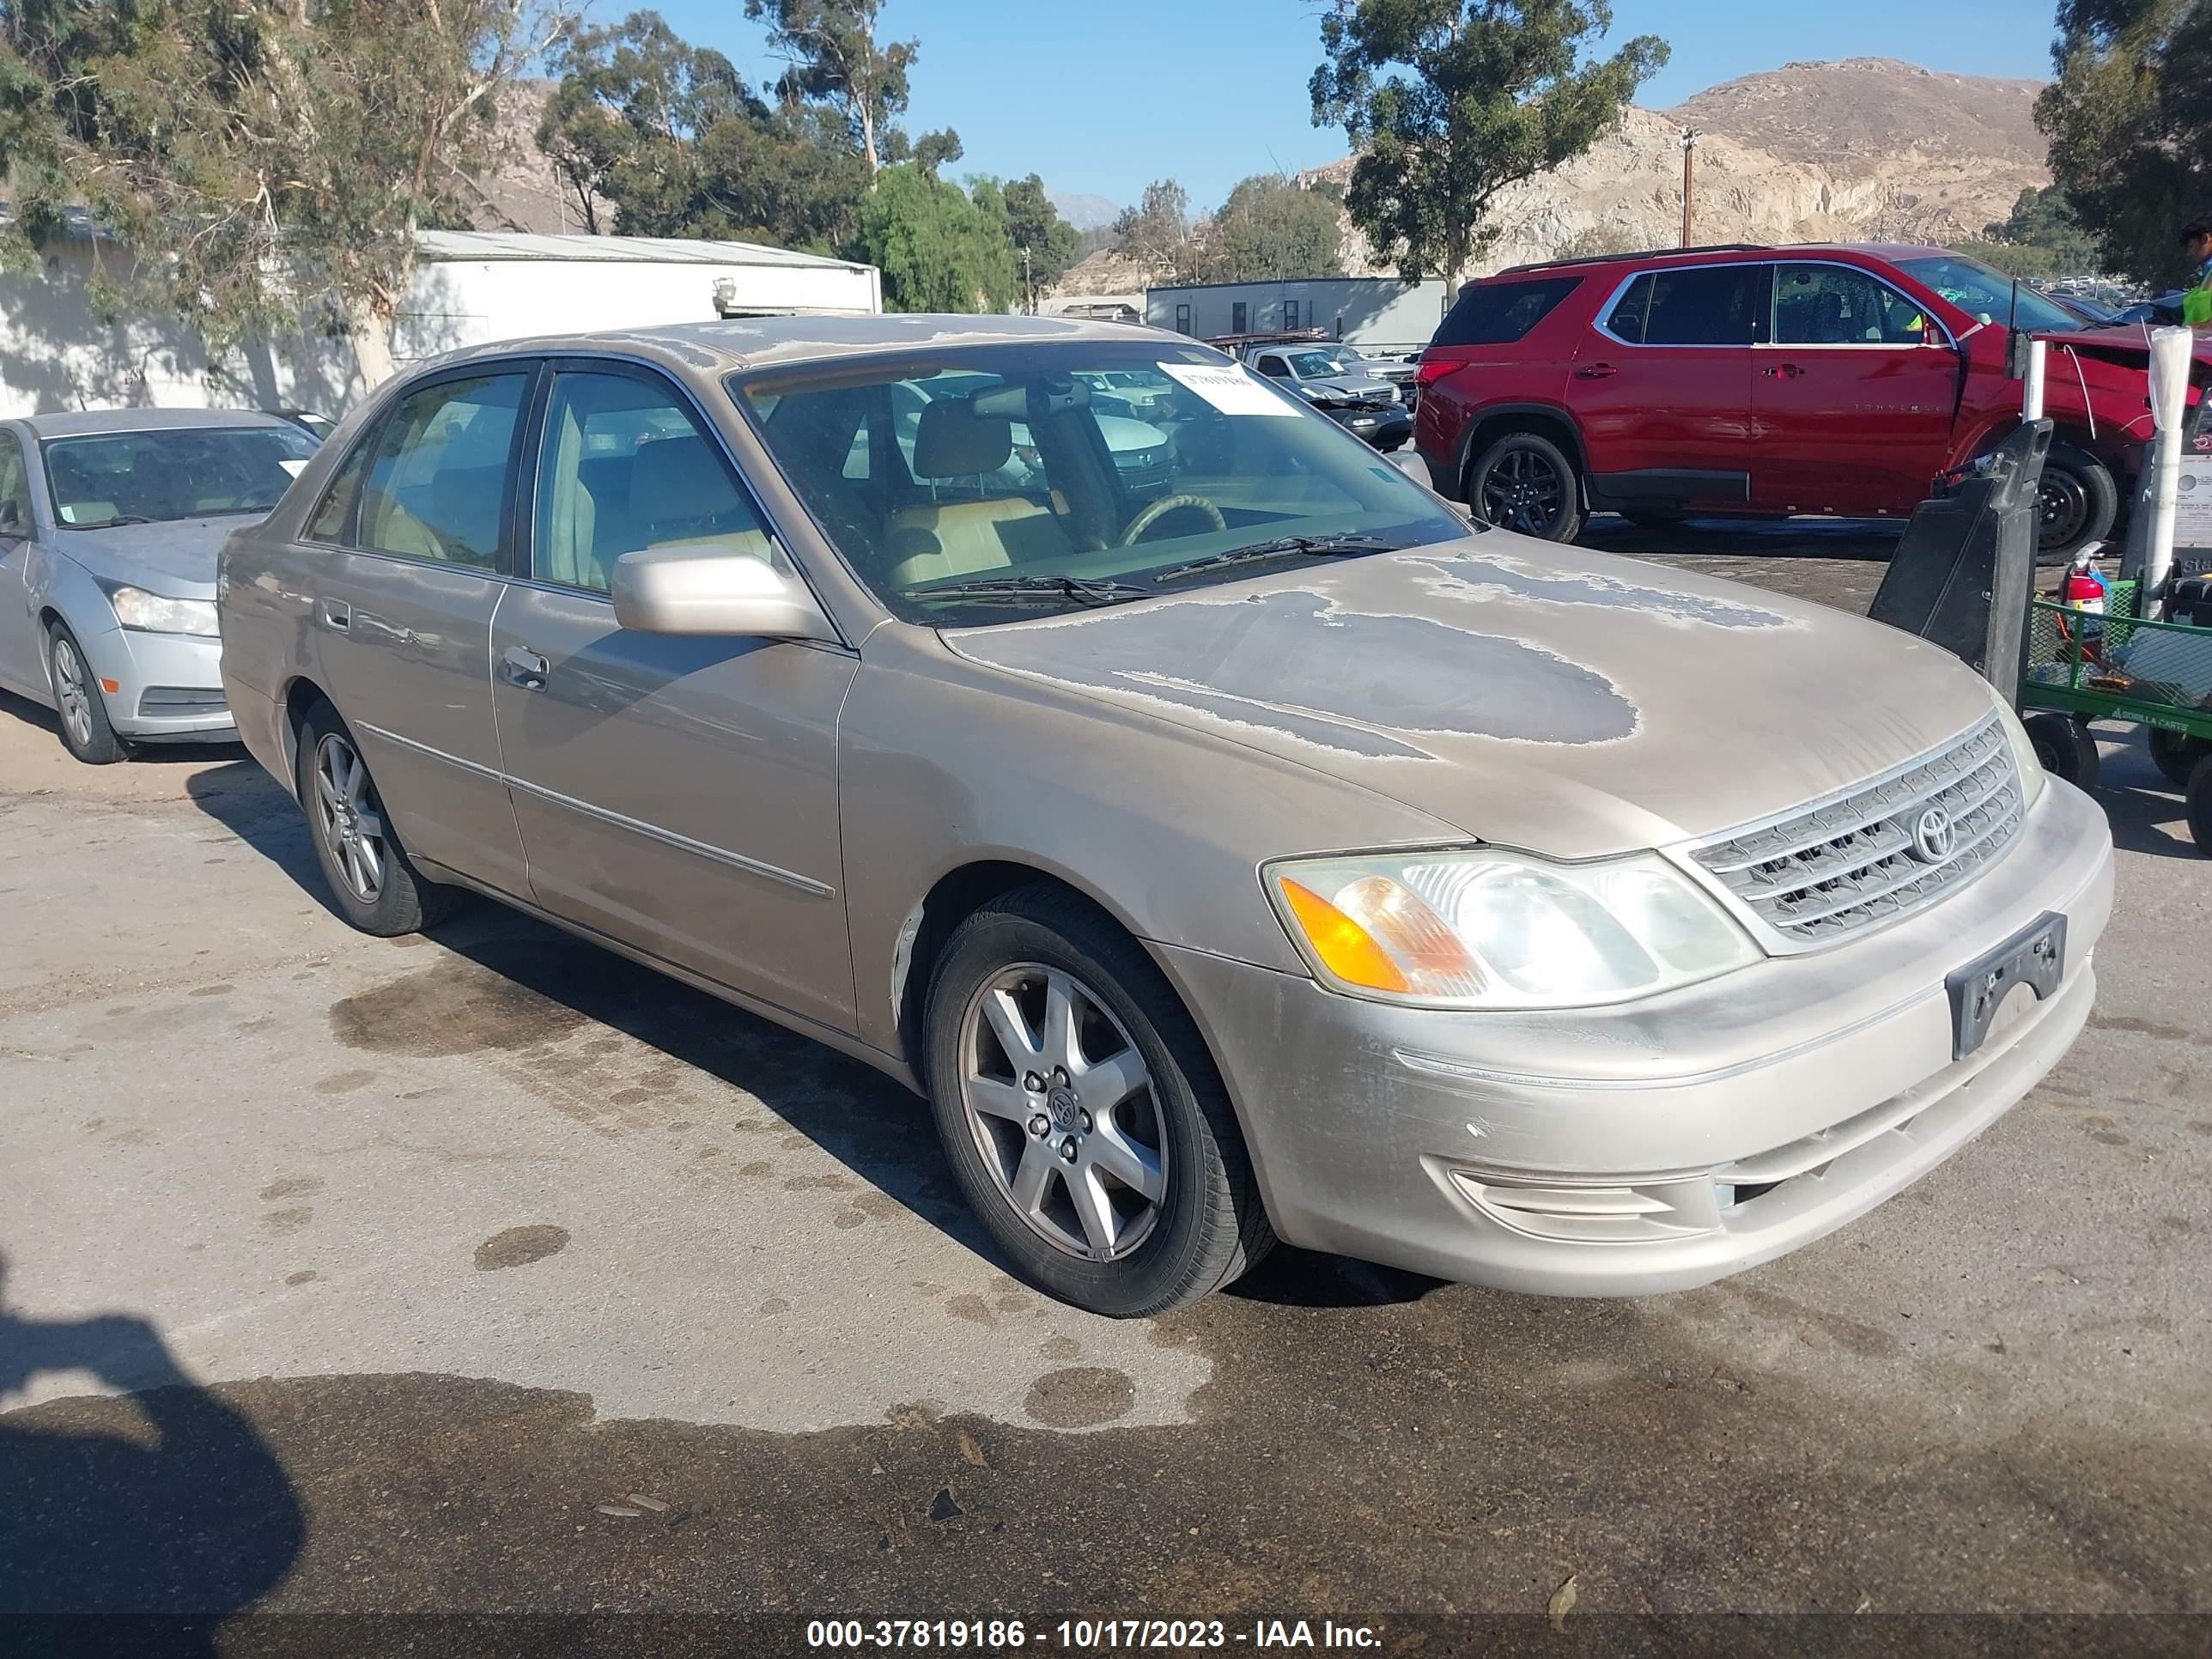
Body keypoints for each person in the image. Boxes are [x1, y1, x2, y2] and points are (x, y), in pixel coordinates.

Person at [2181, 219, 2212, 326]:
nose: (2190, 253)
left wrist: (2198, 330)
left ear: (2205, 239)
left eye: (2191, 246)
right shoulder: (2208, 271)